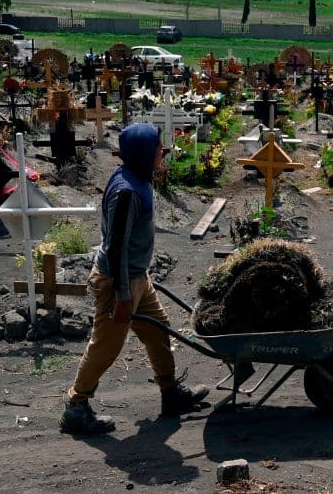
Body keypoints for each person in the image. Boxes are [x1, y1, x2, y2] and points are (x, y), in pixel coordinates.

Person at [60, 123, 208, 435]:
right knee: (106, 346)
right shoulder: (127, 192)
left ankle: (170, 394)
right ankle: (76, 406)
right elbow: (115, 250)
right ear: (143, 153)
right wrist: (124, 296)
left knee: (158, 331)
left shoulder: (135, 175)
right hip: (118, 281)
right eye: (157, 148)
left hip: (137, 276)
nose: (161, 153)